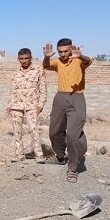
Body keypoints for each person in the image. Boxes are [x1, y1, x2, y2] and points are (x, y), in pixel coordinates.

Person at [43, 38, 92, 183]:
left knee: (72, 134)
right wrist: (47, 56)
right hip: (60, 97)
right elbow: (46, 66)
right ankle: (60, 156)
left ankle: (73, 167)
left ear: (71, 48)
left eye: (66, 51)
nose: (63, 54)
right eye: (60, 52)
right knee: (54, 131)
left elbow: (88, 61)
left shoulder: (78, 60)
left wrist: (80, 56)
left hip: (76, 98)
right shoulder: (58, 62)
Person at [7, 48, 47, 163]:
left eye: (26, 58)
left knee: (34, 129)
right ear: (18, 59)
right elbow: (13, 89)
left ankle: (39, 155)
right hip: (16, 105)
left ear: (31, 58)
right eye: (21, 59)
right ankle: (19, 154)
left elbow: (43, 88)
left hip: (32, 105)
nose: (24, 61)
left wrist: (41, 104)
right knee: (16, 130)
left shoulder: (38, 70)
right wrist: (9, 104)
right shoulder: (16, 72)